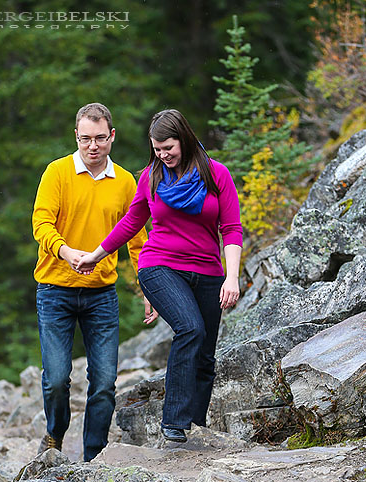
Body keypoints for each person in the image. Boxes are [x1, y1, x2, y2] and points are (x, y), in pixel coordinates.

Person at [77, 108, 242, 443]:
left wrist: (232, 276)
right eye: (157, 149)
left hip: (209, 271)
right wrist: (97, 253)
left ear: (184, 139)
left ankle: (194, 427)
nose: (163, 155)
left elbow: (232, 228)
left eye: (168, 147)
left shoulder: (216, 175)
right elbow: (131, 222)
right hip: (160, 265)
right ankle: (174, 423)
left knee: (206, 356)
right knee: (189, 327)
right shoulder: (151, 177)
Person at [32, 102, 148, 461]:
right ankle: (54, 435)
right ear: (76, 137)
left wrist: (148, 289)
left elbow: (138, 240)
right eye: (85, 139)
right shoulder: (57, 173)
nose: (92, 146)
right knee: (56, 380)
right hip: (55, 290)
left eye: (100, 138)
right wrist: (65, 252)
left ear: (112, 136)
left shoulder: (127, 182)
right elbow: (41, 224)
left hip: (101, 295)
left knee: (103, 384)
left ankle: (93, 457)